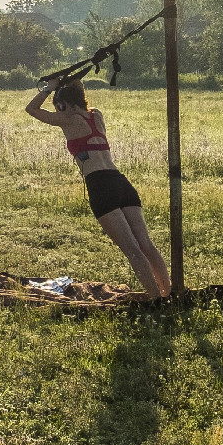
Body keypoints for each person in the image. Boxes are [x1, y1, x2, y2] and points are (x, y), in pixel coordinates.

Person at [25, 78, 171, 297]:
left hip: (100, 185)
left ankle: (156, 300)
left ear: (62, 104)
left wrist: (49, 88)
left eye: (57, 105)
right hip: (120, 181)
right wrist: (68, 84)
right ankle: (168, 293)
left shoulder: (68, 119)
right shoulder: (97, 115)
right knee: (145, 244)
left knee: (131, 249)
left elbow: (32, 109)